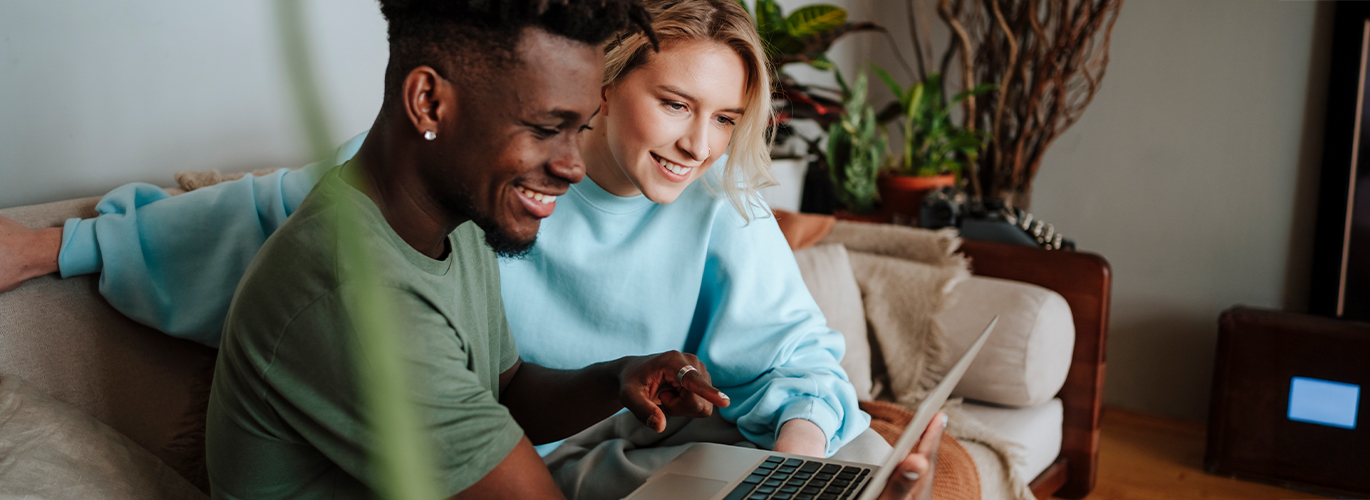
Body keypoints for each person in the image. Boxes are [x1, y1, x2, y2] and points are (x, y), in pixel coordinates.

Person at [0, 0, 884, 496]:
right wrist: (58, 246)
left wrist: (619, 376)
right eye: (552, 128)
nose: (700, 143)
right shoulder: (370, 264)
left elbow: (510, 387)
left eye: (726, 118)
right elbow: (255, 211)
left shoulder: (468, 219)